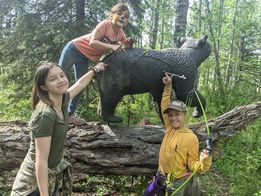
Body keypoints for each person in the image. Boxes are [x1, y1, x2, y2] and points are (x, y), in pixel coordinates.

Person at [11, 61, 107, 196]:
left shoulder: (61, 101)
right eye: (53, 79)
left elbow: (79, 84)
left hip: (50, 179)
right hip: (32, 187)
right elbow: (41, 160)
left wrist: (96, 69)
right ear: (43, 87)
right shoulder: (46, 114)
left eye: (62, 75)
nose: (61, 80)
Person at [59, 3, 133, 125]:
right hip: (73, 49)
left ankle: (69, 114)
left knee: (81, 84)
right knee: (59, 77)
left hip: (84, 58)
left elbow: (124, 47)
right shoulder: (104, 25)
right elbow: (92, 43)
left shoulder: (120, 34)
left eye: (126, 16)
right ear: (111, 16)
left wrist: (129, 43)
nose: (123, 17)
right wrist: (112, 46)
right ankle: (47, 108)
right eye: (119, 14)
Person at [145, 73, 212, 196]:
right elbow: (164, 104)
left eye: (177, 114)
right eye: (170, 115)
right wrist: (168, 86)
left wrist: (204, 162)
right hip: (160, 175)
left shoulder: (191, 138)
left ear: (184, 115)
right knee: (147, 194)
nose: (173, 118)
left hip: (175, 182)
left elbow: (193, 165)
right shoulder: (169, 127)